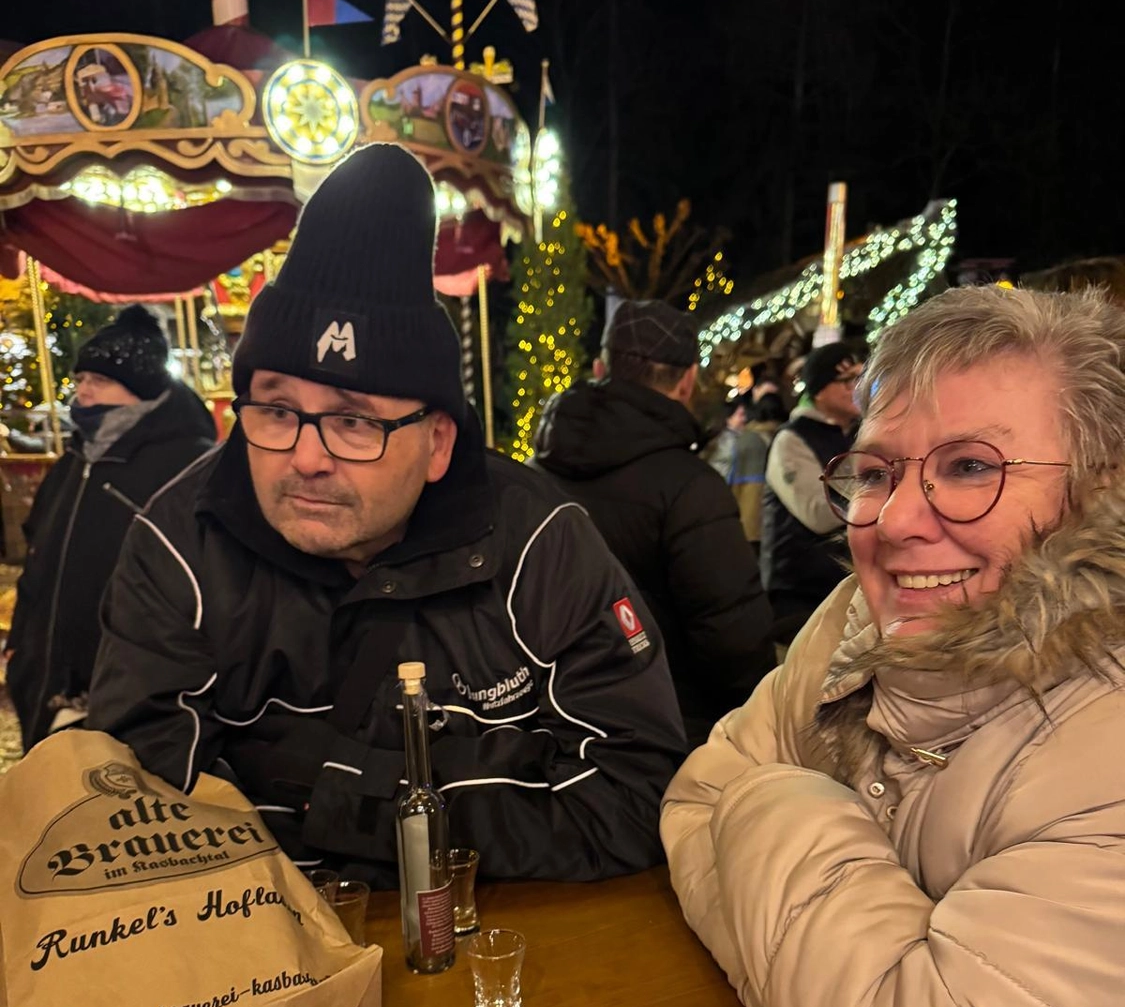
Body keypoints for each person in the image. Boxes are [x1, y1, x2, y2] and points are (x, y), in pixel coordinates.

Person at [661, 285, 1125, 1007]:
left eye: (969, 467)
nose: (898, 519)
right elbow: (687, 798)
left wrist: (788, 808)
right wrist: (848, 960)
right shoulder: (869, 619)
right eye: (876, 472)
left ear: (1097, 498)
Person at [86, 144, 686, 886]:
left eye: (354, 421)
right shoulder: (177, 543)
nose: (305, 457)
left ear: (437, 442)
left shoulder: (541, 544)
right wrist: (483, 786)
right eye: (275, 409)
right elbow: (137, 810)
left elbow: (633, 791)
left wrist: (337, 795)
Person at [532, 299, 774, 747]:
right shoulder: (690, 487)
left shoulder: (537, 470)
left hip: (556, 724)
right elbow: (734, 641)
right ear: (686, 380)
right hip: (671, 733)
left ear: (601, 366)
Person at [5, 305, 215, 749]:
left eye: (99, 381)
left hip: (132, 683)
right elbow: (38, 557)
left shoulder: (186, 463)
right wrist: (22, 640)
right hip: (46, 674)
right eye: (81, 380)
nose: (83, 392)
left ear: (139, 390)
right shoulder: (75, 459)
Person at [760, 339, 866, 643]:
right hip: (800, 596)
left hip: (847, 586)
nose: (857, 387)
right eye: (847, 380)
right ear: (819, 389)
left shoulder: (857, 431)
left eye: (862, 376)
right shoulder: (791, 440)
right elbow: (819, 513)